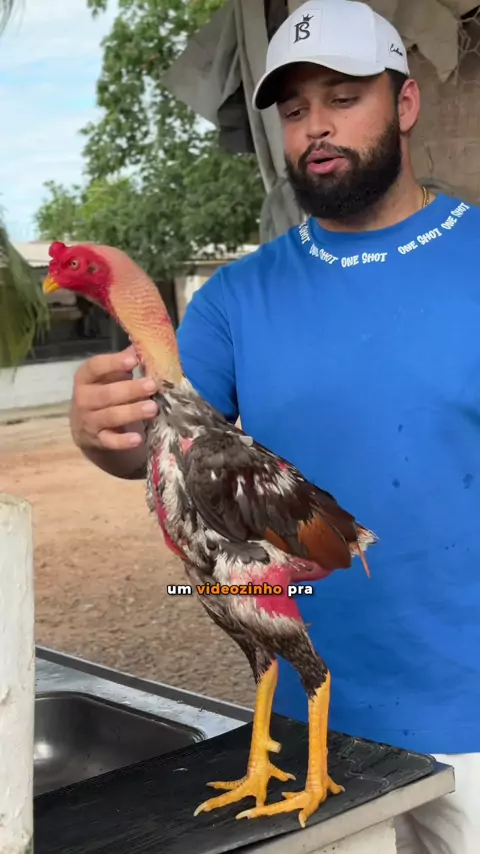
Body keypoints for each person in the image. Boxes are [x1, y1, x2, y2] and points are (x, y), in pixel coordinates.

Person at [68, 1, 480, 851]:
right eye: (294, 111)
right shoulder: (235, 297)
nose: (315, 127)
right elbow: (162, 437)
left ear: (405, 103)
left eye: (343, 98)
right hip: (311, 734)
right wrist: (99, 431)